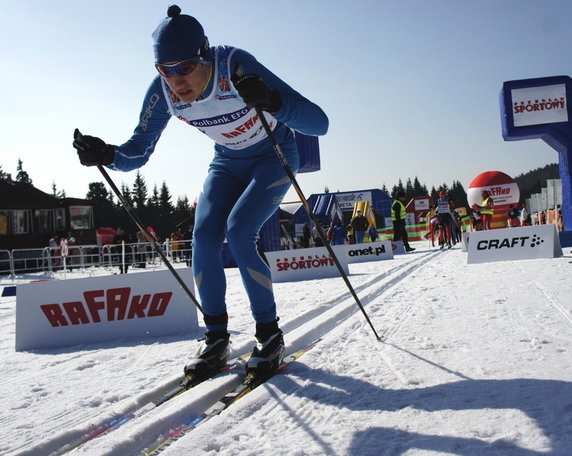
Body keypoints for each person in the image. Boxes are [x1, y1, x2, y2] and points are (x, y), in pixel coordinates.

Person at [72, 5, 328, 377]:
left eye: (186, 67)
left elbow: (319, 122)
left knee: (240, 231)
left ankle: (269, 335)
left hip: (273, 154)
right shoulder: (163, 93)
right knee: (204, 237)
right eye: (165, 69)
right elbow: (137, 151)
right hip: (227, 162)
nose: (176, 80)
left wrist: (274, 102)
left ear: (204, 57)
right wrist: (107, 154)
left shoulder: (236, 66)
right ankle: (216, 338)